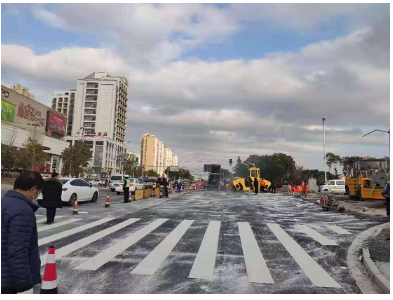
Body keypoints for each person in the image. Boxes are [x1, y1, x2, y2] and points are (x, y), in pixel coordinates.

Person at [2, 171, 44, 294]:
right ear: (33, 189)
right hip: (9, 282)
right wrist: (24, 287)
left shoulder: (3, 203)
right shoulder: (23, 210)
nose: (37, 196)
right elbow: (18, 251)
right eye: (39, 192)